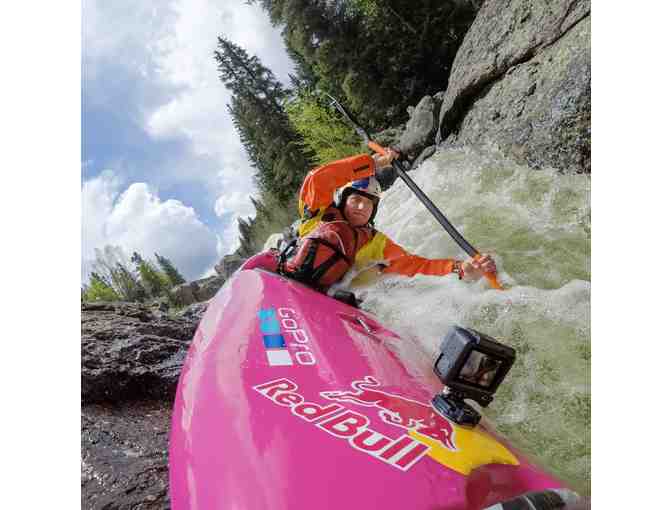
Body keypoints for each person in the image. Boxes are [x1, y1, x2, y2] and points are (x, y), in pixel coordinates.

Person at [276, 148, 497, 293]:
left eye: (368, 203)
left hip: (329, 293)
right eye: (355, 200)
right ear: (342, 200)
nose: (362, 207)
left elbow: (416, 265)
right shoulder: (318, 211)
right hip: (288, 274)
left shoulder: (376, 243)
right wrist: (371, 164)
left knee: (373, 276)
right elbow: (318, 178)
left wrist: (460, 268)